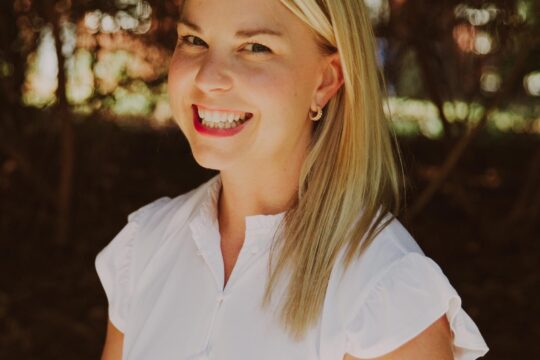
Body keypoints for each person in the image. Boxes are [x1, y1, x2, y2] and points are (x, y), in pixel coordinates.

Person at [95, 0, 490, 359]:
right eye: (194, 40)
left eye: (255, 47)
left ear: (325, 81)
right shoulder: (142, 247)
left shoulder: (384, 295)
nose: (208, 77)